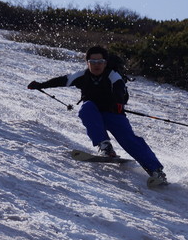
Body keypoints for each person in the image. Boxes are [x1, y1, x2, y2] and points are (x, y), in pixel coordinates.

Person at [28, 46, 167, 184]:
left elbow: (120, 89)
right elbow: (62, 80)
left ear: (105, 63)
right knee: (86, 108)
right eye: (92, 62)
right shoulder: (82, 75)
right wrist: (41, 85)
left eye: (100, 61)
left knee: (129, 140)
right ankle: (105, 146)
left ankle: (157, 171)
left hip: (113, 113)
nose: (96, 65)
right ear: (87, 63)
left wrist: (119, 102)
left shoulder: (113, 75)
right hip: (93, 113)